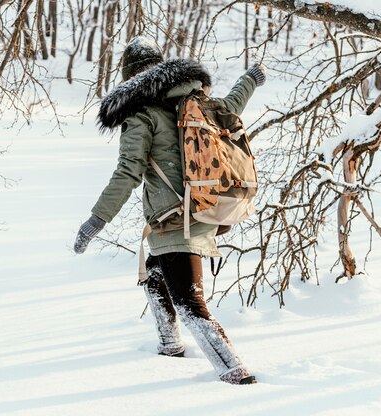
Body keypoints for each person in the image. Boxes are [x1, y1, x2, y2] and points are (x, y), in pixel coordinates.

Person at [73, 37, 266, 385]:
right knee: (154, 272)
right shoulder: (196, 102)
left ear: (129, 77)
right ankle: (170, 345)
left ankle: (235, 372)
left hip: (175, 220)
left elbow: (129, 170)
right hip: (206, 206)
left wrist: (96, 219)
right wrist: (250, 79)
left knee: (190, 303)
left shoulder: (140, 115)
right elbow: (234, 103)